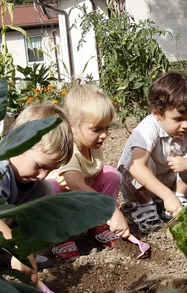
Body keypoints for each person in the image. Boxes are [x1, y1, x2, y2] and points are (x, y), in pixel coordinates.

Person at [0, 103, 74, 293]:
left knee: (46, 190)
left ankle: (6, 256)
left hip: (2, 224)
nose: (43, 174)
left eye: (50, 169)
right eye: (39, 166)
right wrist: (20, 250)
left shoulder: (33, 179)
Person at [117, 72, 187, 231]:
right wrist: (166, 196)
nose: (186, 125)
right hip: (135, 187)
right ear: (157, 113)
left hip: (163, 181)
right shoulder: (148, 128)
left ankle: (177, 197)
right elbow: (136, 168)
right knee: (140, 161)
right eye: (178, 119)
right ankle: (144, 205)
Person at [47, 83, 131, 253]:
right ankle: (61, 236)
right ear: (73, 126)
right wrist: (111, 210)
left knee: (111, 175)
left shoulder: (93, 144)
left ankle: (98, 225)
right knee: (51, 187)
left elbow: (94, 177)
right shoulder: (68, 150)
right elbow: (77, 186)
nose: (104, 134)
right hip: (64, 202)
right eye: (96, 129)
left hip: (82, 199)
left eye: (106, 127)